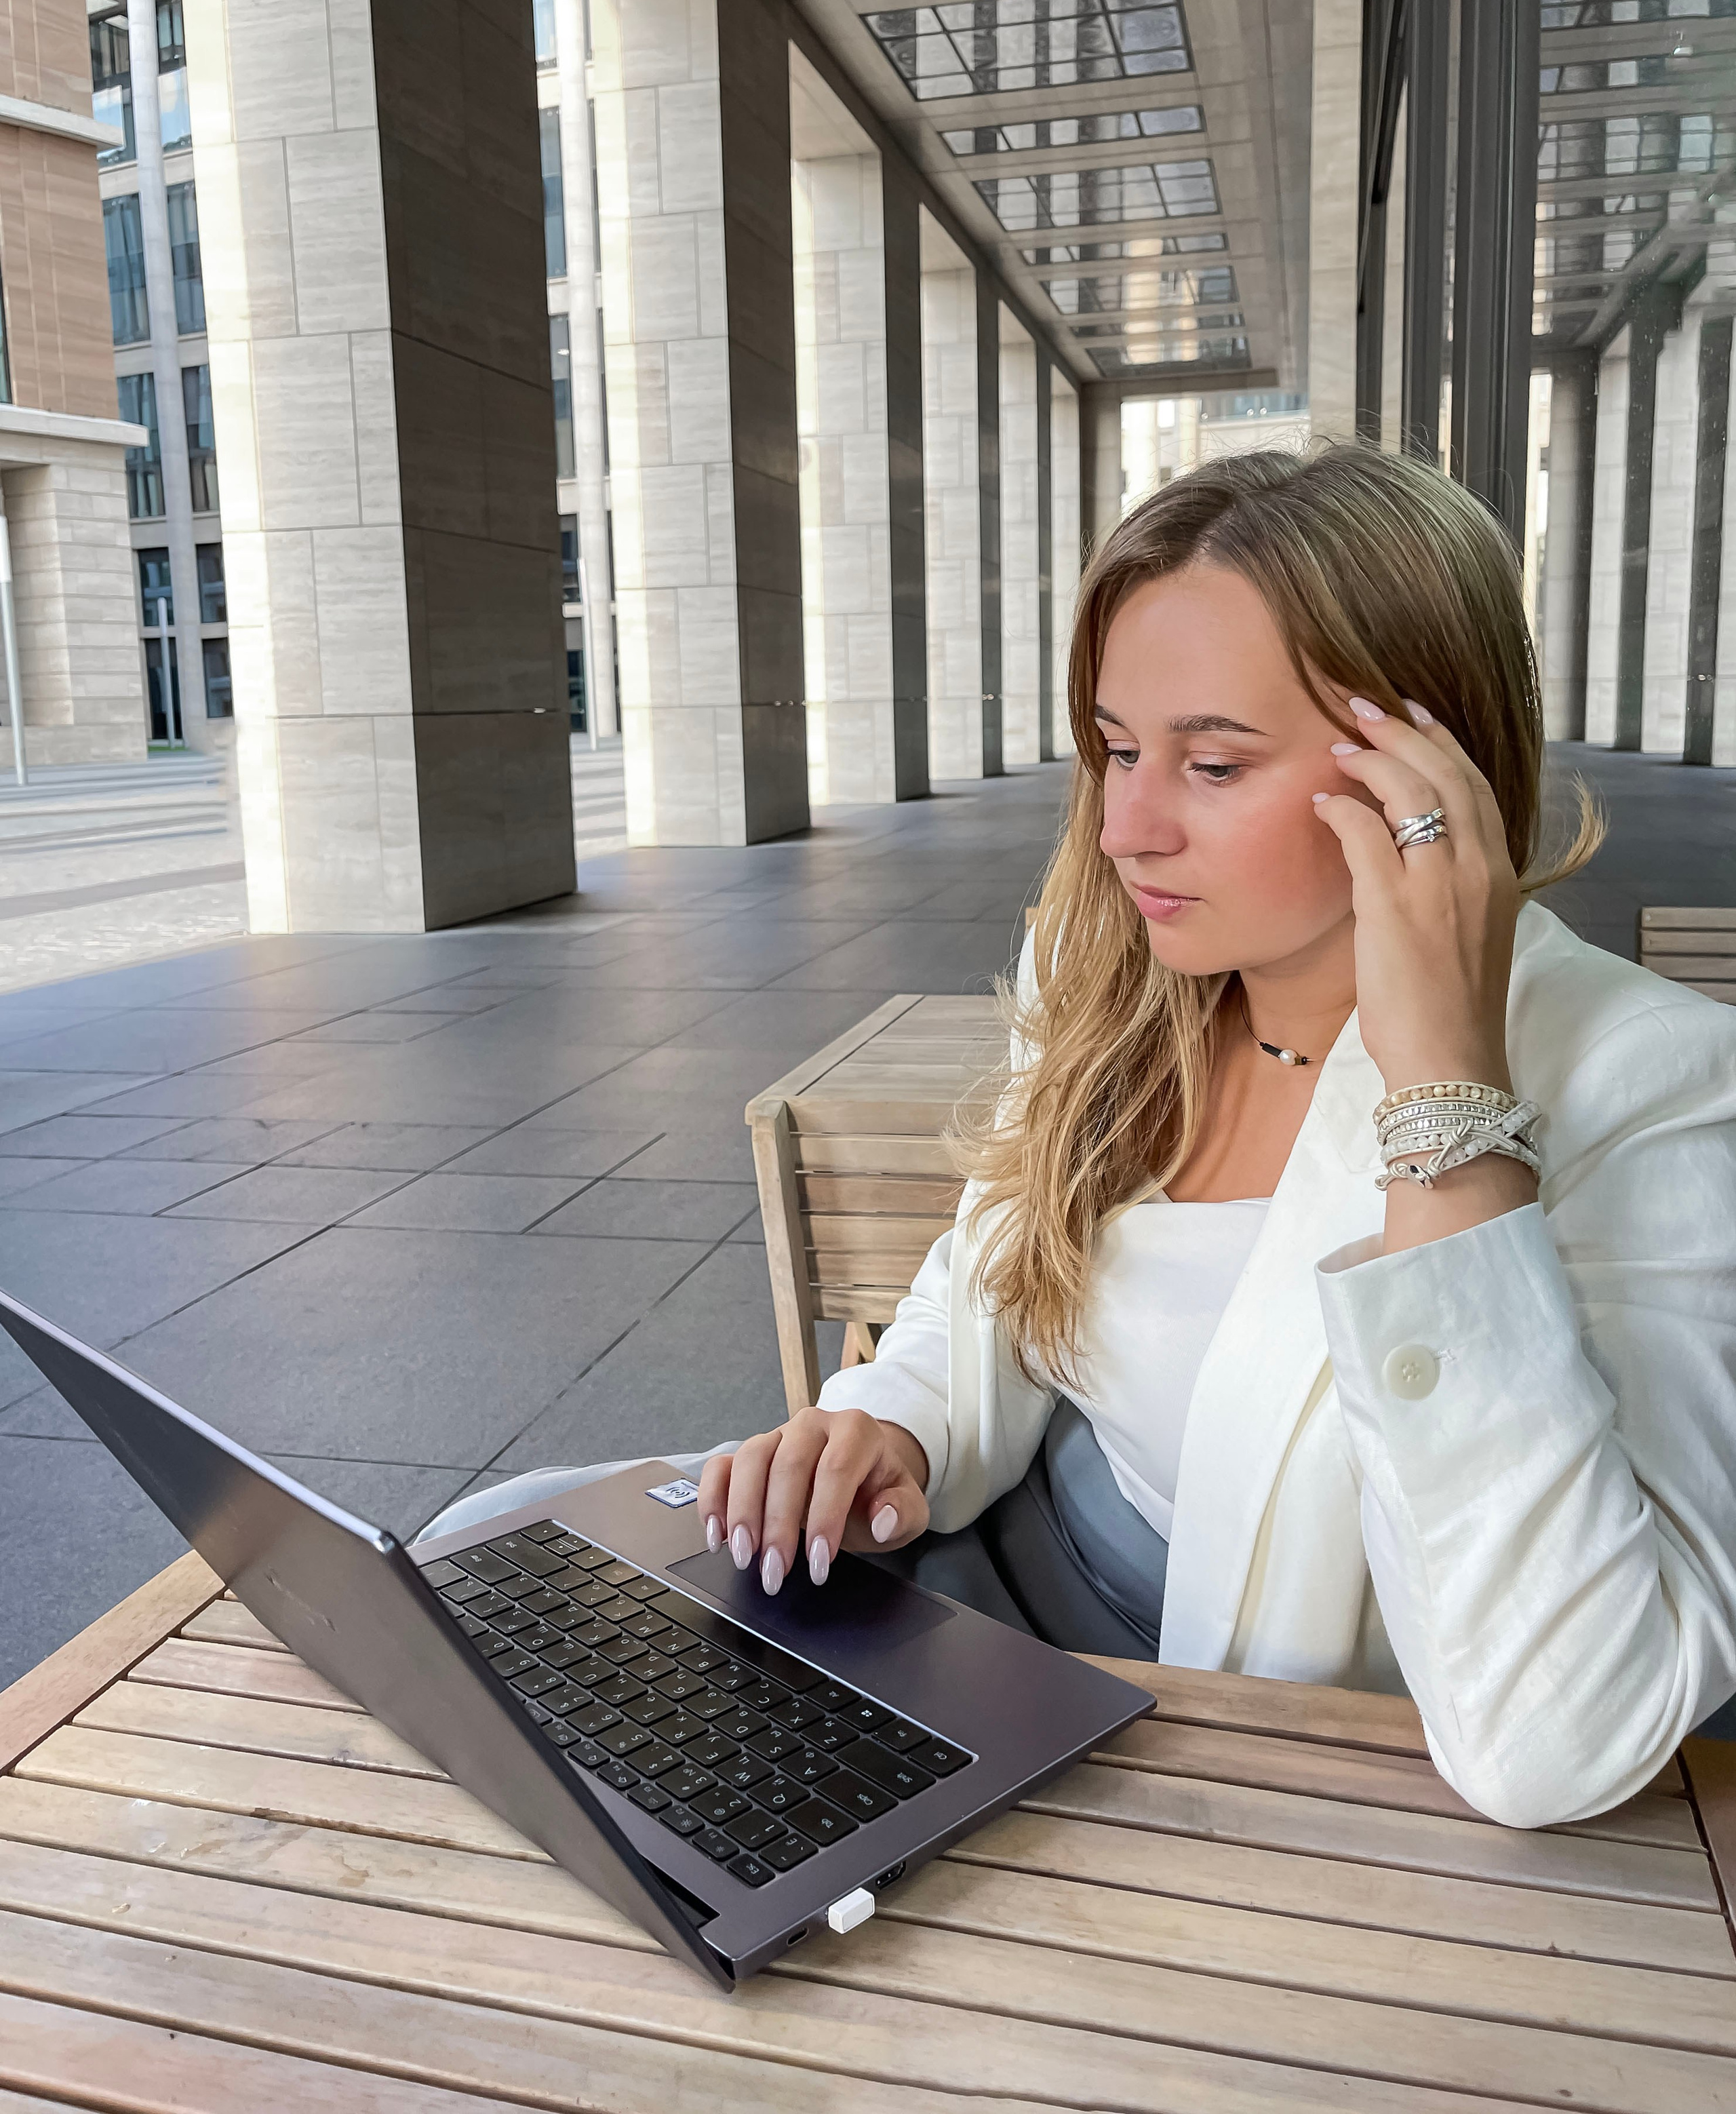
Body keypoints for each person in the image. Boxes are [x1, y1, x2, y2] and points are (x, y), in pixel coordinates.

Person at [421, 442, 1736, 1830]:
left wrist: (1445, 1111)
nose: (1123, 829)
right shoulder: (1106, 975)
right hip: (989, 1598)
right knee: (497, 1612)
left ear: (1428, 773)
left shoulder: (1653, 1085)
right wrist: (893, 1428)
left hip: (1251, 1727)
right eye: (1113, 749)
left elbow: (1558, 1735)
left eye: (1212, 764)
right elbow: (989, 1271)